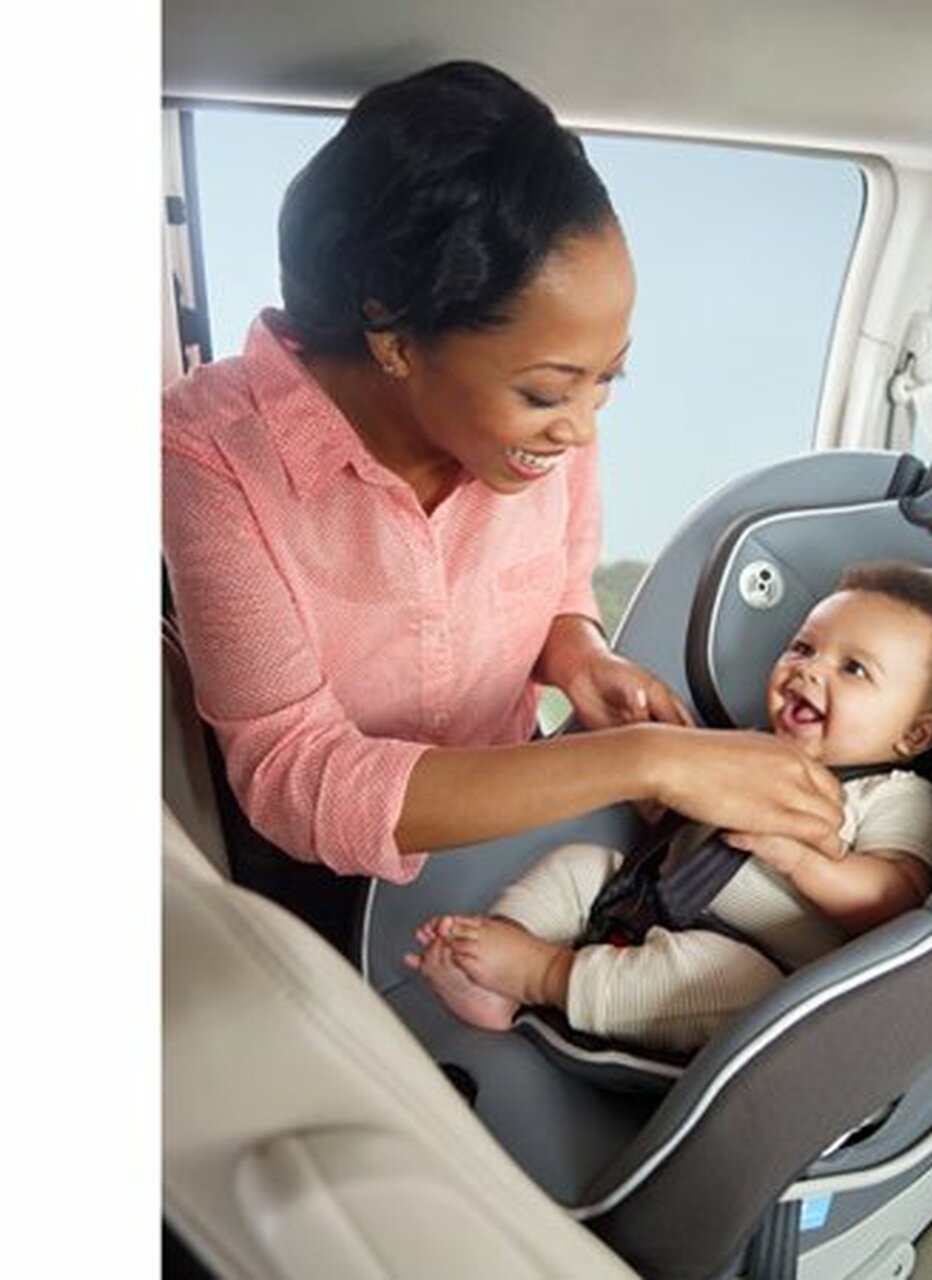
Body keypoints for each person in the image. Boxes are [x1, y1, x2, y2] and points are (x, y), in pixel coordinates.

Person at [162, 61, 845, 947]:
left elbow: (558, 585)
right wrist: (648, 761)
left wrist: (579, 657)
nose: (582, 428)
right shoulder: (207, 454)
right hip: (316, 883)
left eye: (608, 379)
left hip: (506, 831)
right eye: (546, 392)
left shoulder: (551, 432)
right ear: (394, 335)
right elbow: (294, 774)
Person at [404, 562, 932, 1053]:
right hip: (648, 904)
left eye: (854, 669)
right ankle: (493, 956)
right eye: (803, 647)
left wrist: (800, 860)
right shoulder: (747, 749)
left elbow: (896, 898)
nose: (810, 669)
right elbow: (678, 826)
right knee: (580, 865)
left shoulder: (891, 794)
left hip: (759, 967)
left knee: (725, 977)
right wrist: (654, 787)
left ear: (914, 735)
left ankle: (542, 975)